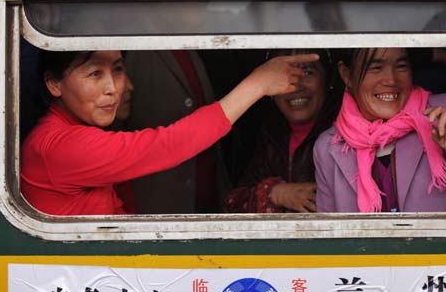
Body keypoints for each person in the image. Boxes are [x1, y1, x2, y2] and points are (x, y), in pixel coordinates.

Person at [20, 49, 315, 216]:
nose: (113, 88)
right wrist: (257, 85)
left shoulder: (69, 131)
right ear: (54, 85)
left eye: (119, 70)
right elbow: (168, 145)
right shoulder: (59, 145)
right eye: (95, 74)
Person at [314, 48, 446, 213]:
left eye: (401, 66)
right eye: (375, 68)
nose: (391, 80)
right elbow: (329, 234)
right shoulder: (327, 147)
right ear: (347, 75)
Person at [224, 49, 341, 213]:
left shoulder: (347, 133)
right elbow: (233, 203)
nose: (296, 86)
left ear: (328, 79)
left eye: (307, 72)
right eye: (285, 75)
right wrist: (275, 193)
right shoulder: (269, 132)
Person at [124, 50, 227, 214]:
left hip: (207, 195)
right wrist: (257, 85)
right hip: (161, 204)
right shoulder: (135, 45)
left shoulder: (192, 45)